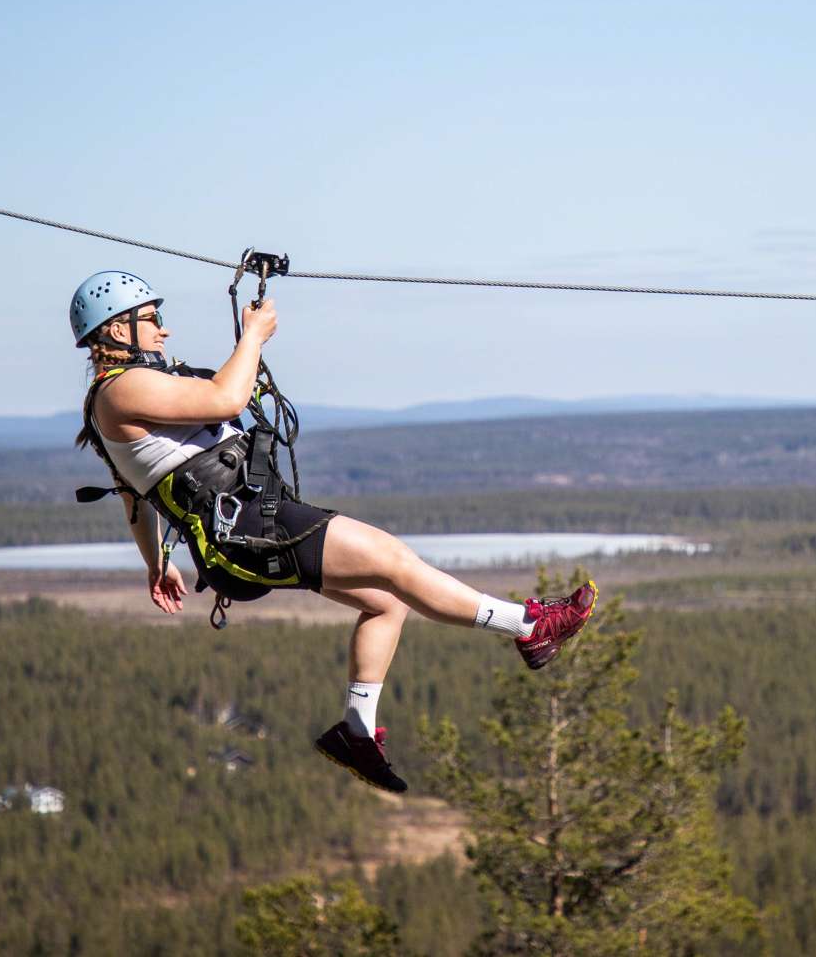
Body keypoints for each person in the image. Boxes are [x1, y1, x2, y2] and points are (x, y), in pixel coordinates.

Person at [71, 271, 598, 793]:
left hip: (245, 532)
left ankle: (357, 730)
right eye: (152, 319)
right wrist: (252, 336)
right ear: (119, 331)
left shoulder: (119, 397)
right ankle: (528, 627)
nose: (162, 330)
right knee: (393, 560)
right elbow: (225, 401)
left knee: (387, 602)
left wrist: (155, 564)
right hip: (251, 527)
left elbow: (132, 498)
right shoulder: (123, 390)